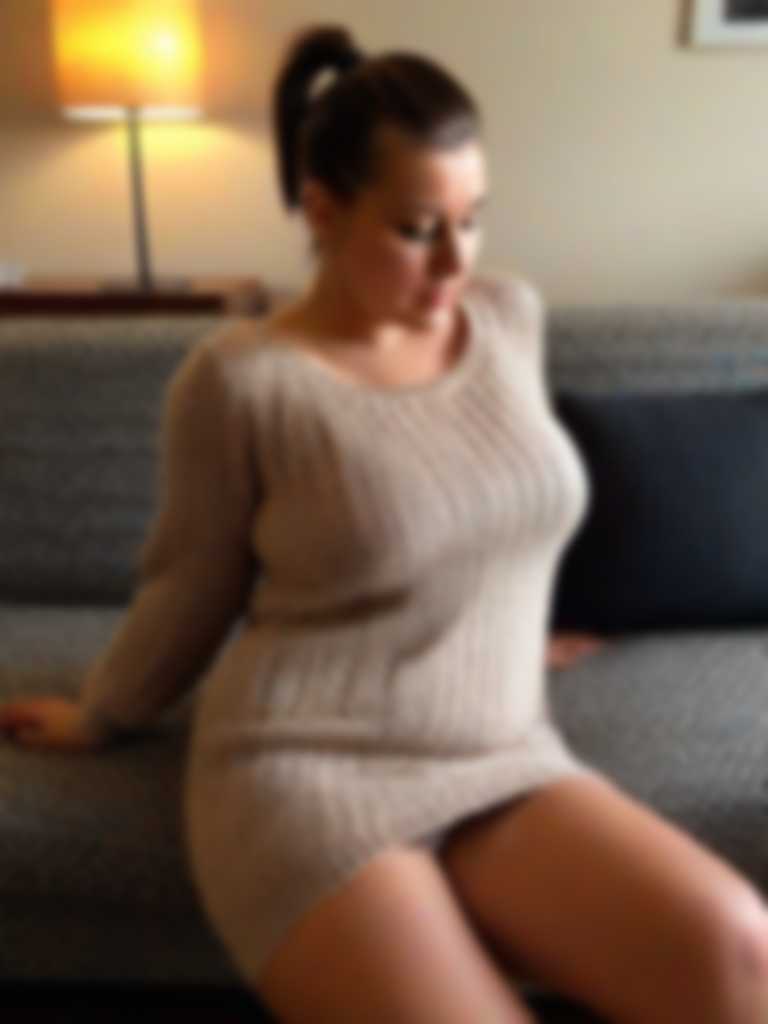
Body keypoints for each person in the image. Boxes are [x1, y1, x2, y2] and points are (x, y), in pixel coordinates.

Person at [2, 22, 768, 1024]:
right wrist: (102, 713)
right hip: (305, 767)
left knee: (740, 953)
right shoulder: (241, 380)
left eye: (473, 220)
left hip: (498, 751)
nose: (456, 261)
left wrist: (499, 625)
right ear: (322, 209)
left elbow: (493, 503)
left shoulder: (509, 320)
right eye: (417, 229)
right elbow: (191, 585)